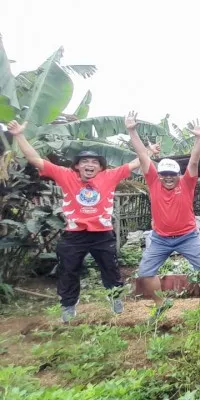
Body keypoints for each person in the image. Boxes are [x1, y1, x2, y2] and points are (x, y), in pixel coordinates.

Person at [7, 119, 157, 323]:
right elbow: (36, 159)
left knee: (111, 269)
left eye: (94, 162)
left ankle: (115, 299)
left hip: (102, 235)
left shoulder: (109, 176)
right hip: (74, 234)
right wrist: (18, 135)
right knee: (68, 270)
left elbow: (134, 162)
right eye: (85, 162)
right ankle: (68, 306)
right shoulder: (65, 175)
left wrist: (148, 152)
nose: (89, 165)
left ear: (100, 167)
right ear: (77, 166)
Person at [126, 112, 200, 319]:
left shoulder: (186, 183)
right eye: (165, 175)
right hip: (160, 238)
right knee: (145, 273)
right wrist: (132, 131)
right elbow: (143, 157)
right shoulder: (153, 181)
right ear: (159, 175)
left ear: (177, 175)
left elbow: (194, 162)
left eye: (172, 175)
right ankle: (162, 303)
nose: (168, 178)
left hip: (187, 236)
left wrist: (198, 139)